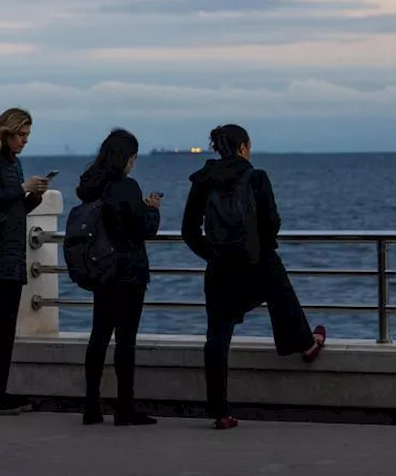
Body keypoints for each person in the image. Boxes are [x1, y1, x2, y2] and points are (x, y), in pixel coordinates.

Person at [181, 124, 327, 430]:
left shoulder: (203, 181)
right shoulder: (256, 176)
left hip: (220, 266)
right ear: (244, 147)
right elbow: (271, 222)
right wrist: (257, 247)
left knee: (218, 335)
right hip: (256, 262)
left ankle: (220, 412)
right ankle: (305, 343)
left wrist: (212, 253)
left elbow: (189, 231)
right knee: (280, 289)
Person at [75, 129, 162, 426]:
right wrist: (152, 210)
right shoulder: (126, 187)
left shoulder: (91, 185)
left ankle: (91, 405)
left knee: (98, 336)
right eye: (133, 157)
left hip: (101, 270)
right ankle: (124, 408)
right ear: (126, 157)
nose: (134, 163)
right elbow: (142, 228)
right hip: (128, 272)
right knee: (126, 341)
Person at [0, 108, 50, 415]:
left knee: (4, 328)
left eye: (27, 136)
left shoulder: (13, 163)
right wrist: (21, 189)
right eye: (21, 135)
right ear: (7, 132)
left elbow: (12, 207)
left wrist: (34, 197)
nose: (24, 141)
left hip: (12, 254)